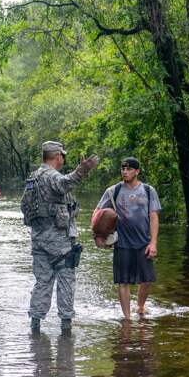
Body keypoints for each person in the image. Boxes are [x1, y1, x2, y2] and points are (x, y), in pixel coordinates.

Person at [23, 141, 99, 332]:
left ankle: (35, 325)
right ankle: (66, 328)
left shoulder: (33, 178)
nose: (63, 159)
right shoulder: (51, 176)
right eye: (62, 156)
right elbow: (64, 184)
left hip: (39, 240)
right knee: (66, 280)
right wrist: (81, 171)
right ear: (57, 156)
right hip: (60, 242)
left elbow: (24, 206)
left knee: (42, 281)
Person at [94, 157, 161, 319]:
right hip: (122, 243)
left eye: (129, 169)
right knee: (122, 282)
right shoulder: (113, 191)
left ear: (137, 171)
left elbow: (153, 217)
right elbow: (97, 213)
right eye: (123, 169)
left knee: (146, 281)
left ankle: (140, 306)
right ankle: (127, 318)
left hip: (143, 242)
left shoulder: (148, 190)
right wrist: (97, 235)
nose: (125, 172)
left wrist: (153, 243)